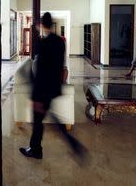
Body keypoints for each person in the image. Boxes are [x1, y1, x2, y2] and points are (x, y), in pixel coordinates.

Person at [19, 12, 84, 160]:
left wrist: (36, 97)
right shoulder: (60, 41)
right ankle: (71, 143)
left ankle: (35, 150)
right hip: (53, 88)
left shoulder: (43, 44)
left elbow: (41, 71)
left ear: (42, 25)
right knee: (48, 118)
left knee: (38, 121)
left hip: (42, 91)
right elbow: (60, 66)